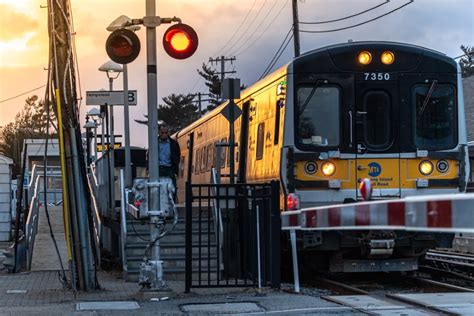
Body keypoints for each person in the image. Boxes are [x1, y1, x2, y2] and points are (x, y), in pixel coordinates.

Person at [157, 124, 181, 199]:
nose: (164, 135)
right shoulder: (154, 143)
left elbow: (177, 156)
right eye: (162, 133)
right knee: (158, 189)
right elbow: (149, 156)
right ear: (159, 132)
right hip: (158, 169)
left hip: (170, 169)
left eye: (166, 133)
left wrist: (175, 169)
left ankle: (172, 205)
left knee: (172, 189)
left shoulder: (173, 144)